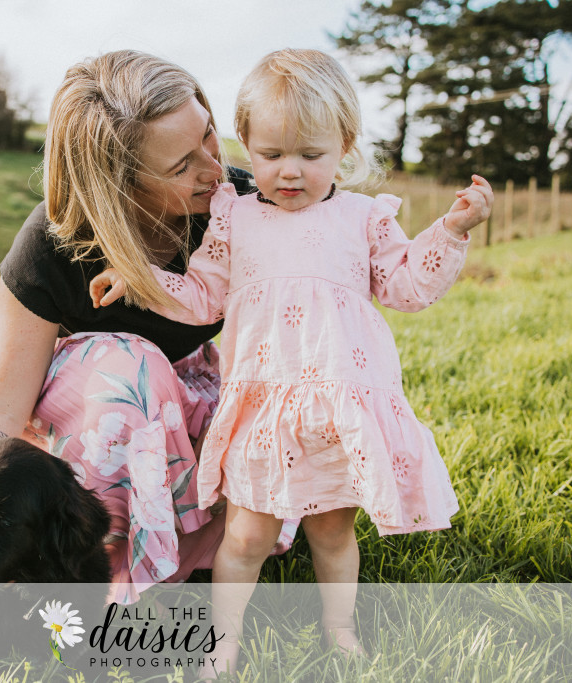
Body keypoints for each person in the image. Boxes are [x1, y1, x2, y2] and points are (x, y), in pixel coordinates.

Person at [89, 48, 493, 674]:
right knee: (246, 535)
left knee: (332, 531)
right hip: (262, 405)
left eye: (311, 154)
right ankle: (223, 640)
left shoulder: (363, 218)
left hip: (338, 406)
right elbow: (202, 295)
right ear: (246, 144)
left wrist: (451, 232)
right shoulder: (235, 216)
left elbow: (407, 287)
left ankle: (340, 628)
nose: (290, 171)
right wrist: (140, 278)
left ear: (344, 146)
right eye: (272, 154)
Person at [0, 49, 296, 606]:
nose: (214, 169)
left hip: (187, 398)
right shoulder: (52, 247)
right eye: (181, 167)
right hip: (94, 427)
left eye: (208, 134)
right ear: (118, 186)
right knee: (131, 367)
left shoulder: (240, 206)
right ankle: (97, 568)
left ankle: (184, 547)